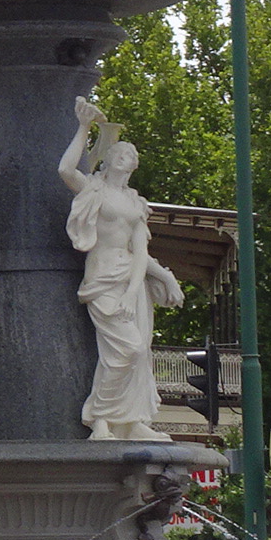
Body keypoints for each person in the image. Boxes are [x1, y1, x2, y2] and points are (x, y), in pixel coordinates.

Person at [61, 98, 183, 441]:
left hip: (131, 280)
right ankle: (99, 415)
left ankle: (129, 421)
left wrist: (161, 277)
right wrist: (84, 127)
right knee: (124, 349)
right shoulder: (95, 188)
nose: (130, 157)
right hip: (102, 278)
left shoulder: (134, 201)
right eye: (122, 152)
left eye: (133, 155)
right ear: (111, 159)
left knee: (138, 352)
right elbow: (66, 171)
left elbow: (141, 250)